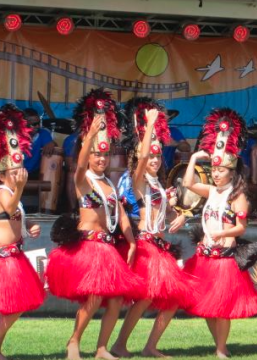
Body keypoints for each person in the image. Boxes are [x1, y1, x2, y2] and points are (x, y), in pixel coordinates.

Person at [45, 88, 143, 360]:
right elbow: (78, 164)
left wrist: (132, 241)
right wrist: (89, 134)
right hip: (89, 247)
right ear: (88, 156)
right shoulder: (82, 180)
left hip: (109, 250)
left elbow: (122, 215)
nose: (101, 158)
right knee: (94, 298)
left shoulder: (110, 184)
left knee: (114, 302)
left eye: (105, 155)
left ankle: (101, 348)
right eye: (96, 155)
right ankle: (73, 342)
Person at [111, 97, 197, 358]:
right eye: (151, 155)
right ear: (139, 157)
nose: (155, 159)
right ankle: (119, 345)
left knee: (172, 300)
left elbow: (165, 211)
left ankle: (149, 346)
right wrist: (149, 125)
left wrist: (178, 214)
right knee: (146, 298)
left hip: (162, 247)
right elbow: (144, 154)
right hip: (148, 246)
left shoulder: (157, 183)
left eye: (159, 155)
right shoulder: (138, 180)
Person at [182, 108, 257, 359]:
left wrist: (223, 234)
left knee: (222, 308)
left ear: (231, 171)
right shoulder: (211, 191)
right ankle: (218, 344)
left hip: (224, 257)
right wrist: (194, 159)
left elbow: (242, 228)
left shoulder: (237, 196)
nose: (215, 174)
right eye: (214, 170)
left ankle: (221, 348)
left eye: (220, 171)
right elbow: (188, 184)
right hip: (205, 256)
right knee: (205, 306)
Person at [0, 104, 45, 360]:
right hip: (3, 257)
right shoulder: (1, 194)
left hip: (14, 256)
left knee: (16, 306)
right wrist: (21, 187)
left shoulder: (14, 194)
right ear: (2, 175)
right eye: (14, 171)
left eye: (20, 170)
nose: (20, 174)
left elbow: (16, 215)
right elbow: (10, 207)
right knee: (13, 305)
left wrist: (29, 225)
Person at [22, 108, 56, 177]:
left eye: (38, 123)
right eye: (34, 124)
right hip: (19, 173)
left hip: (35, 174)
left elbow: (52, 145)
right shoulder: (15, 137)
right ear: (24, 124)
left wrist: (52, 143)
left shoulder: (43, 133)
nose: (38, 126)